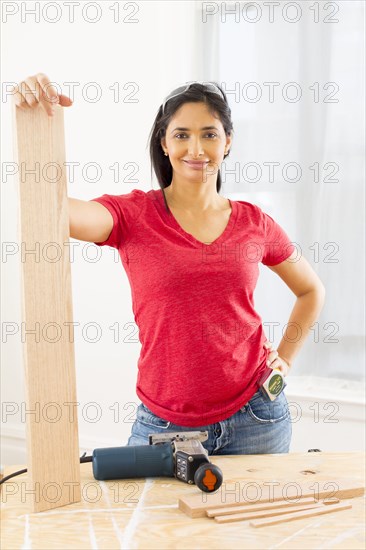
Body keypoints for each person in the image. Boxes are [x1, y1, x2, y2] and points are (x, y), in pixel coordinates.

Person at [13, 75, 326, 455]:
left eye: (210, 134)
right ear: (164, 143)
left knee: (246, 517)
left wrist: (286, 360)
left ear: (228, 142)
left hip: (257, 416)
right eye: (182, 135)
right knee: (145, 516)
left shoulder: (255, 223)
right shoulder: (133, 215)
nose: (196, 148)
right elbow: (55, 212)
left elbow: (311, 290)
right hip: (165, 425)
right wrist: (33, 121)